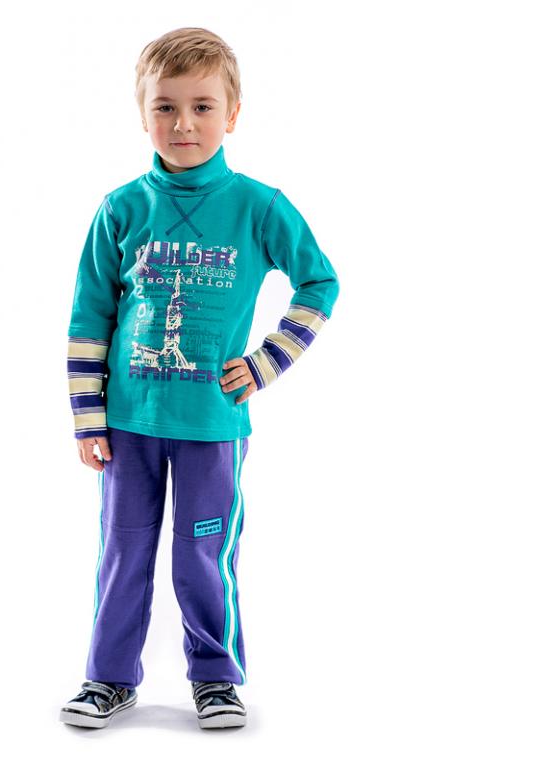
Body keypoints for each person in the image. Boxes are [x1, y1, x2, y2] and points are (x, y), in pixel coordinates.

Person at [60, 26, 340, 730]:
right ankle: (108, 678)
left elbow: (319, 282)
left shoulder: (259, 207)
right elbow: (90, 319)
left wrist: (268, 361)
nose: (183, 123)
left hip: (212, 425)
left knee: (203, 555)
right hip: (128, 426)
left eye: (202, 106)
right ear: (143, 113)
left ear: (232, 114)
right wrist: (88, 419)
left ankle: (215, 678)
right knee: (123, 552)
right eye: (166, 107)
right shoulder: (121, 209)